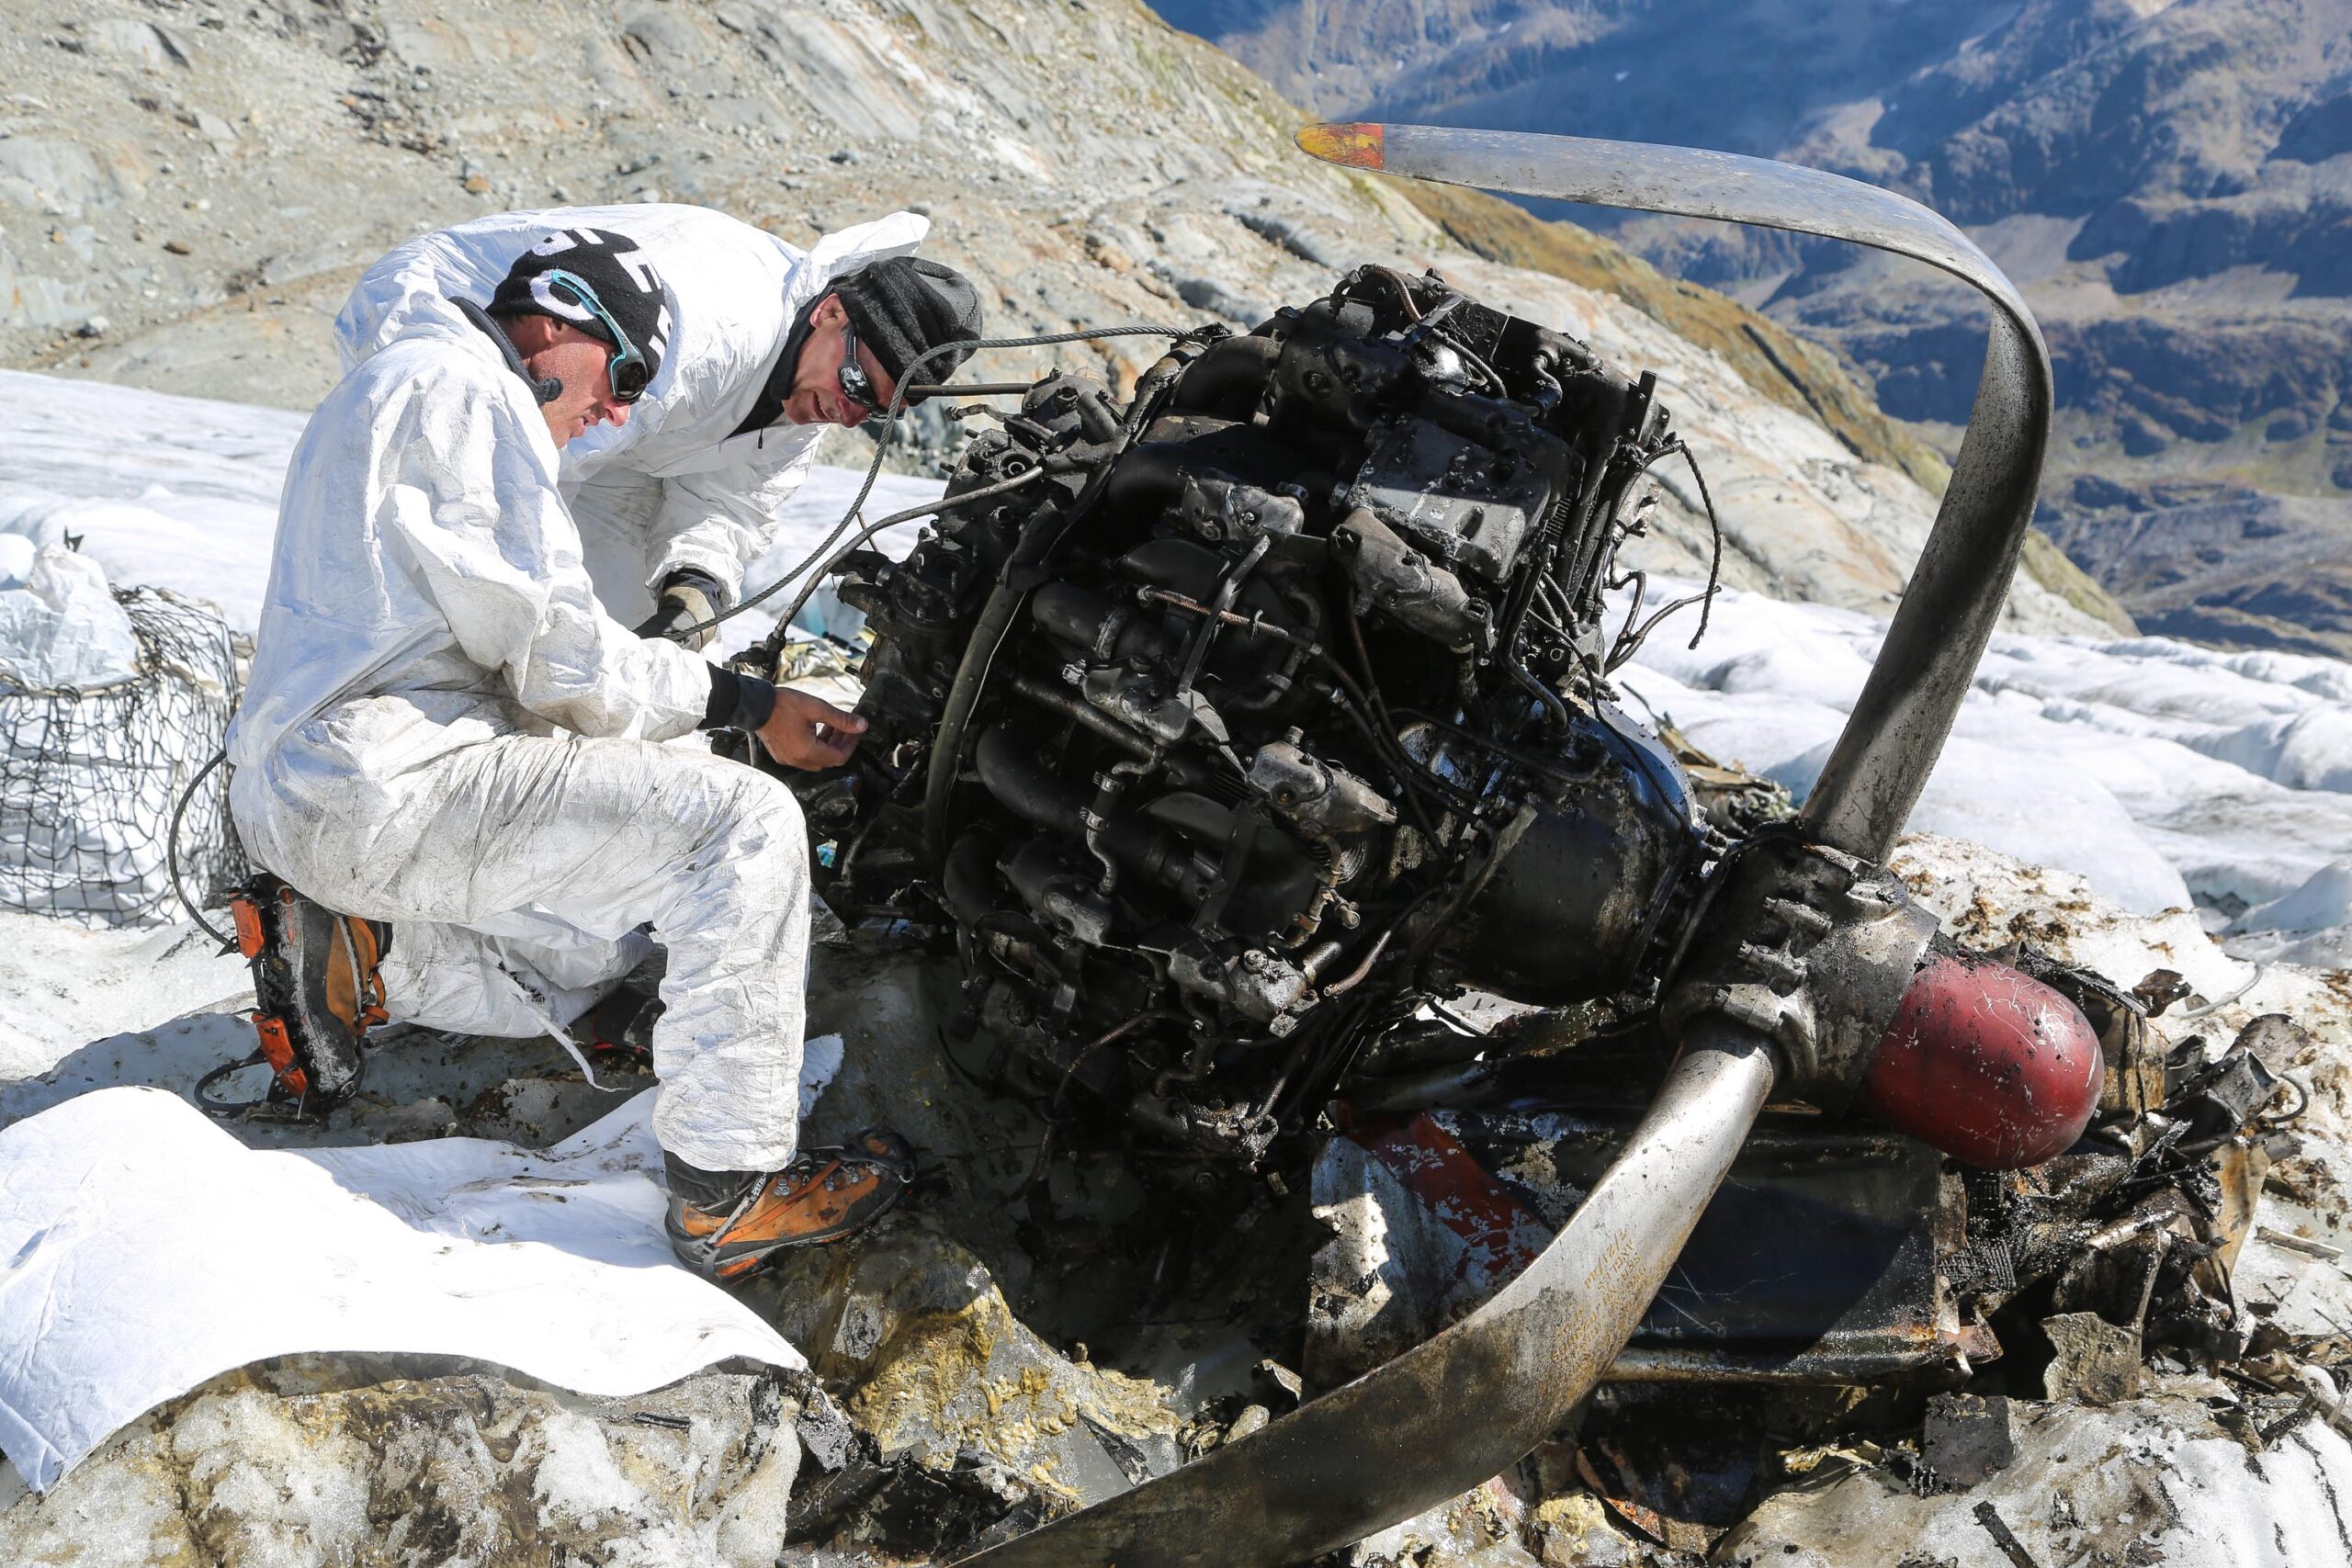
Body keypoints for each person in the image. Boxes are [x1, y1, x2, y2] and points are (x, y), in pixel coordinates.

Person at [226, 226, 977, 1280]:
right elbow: (563, 661)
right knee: (745, 826)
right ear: (554, 318)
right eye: (619, 375)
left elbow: (698, 523)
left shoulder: (403, 390)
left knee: (604, 903)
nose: (619, 413)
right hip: (385, 780)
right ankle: (728, 1192)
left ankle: (381, 950)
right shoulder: (469, 396)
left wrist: (694, 592)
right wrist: (743, 702)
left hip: (323, 785)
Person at [335, 202, 984, 644]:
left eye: (873, 411)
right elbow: (537, 470)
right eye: (855, 384)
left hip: (611, 432)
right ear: (832, 313)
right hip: (453, 328)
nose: (848, 414)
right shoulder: (715, 330)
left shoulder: (811, 389)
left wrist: (693, 591)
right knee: (470, 607)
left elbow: (732, 500)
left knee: (646, 658)